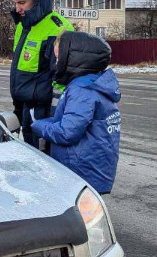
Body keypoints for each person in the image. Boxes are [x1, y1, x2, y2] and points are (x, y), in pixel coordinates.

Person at [30, 30, 121, 194]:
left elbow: (67, 133)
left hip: (80, 171)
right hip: (92, 166)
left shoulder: (82, 90)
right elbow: (72, 122)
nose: (56, 63)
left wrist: (39, 126)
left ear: (73, 59)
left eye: (58, 58)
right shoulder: (92, 84)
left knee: (77, 217)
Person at [5, 0, 73, 148]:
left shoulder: (57, 29)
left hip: (45, 114)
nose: (17, 8)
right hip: (25, 109)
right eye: (15, 2)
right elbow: (21, 72)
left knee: (45, 163)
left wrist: (51, 119)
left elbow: (62, 81)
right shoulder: (22, 27)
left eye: (22, 2)